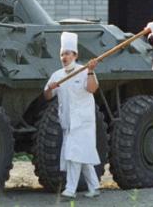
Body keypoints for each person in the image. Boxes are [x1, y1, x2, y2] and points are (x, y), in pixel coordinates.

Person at [43, 32, 101, 199]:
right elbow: (47, 96)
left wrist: (90, 71)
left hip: (83, 121)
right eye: (62, 54)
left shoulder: (83, 70)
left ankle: (70, 189)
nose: (64, 57)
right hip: (68, 122)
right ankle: (95, 186)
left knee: (74, 154)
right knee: (81, 154)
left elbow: (92, 89)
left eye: (67, 53)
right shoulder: (57, 75)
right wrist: (50, 88)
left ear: (75, 55)